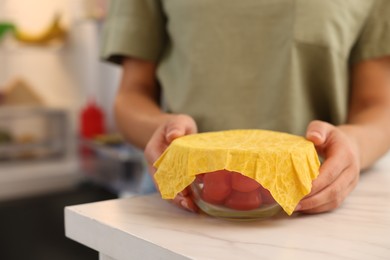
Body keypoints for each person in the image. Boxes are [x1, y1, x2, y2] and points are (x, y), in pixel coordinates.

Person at [101, 0, 390, 214]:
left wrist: (354, 144)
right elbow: (131, 94)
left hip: (312, 204)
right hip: (185, 203)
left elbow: (377, 105)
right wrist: (159, 130)